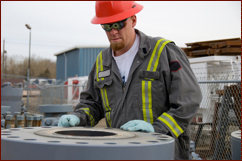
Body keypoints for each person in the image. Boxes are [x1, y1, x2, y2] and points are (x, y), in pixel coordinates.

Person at [58, 1, 202, 159]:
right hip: (120, 151)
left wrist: (156, 129)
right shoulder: (102, 61)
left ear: (133, 20)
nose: (113, 31)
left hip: (161, 152)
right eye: (106, 26)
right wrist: (78, 117)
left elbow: (188, 100)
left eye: (119, 24)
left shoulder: (163, 51)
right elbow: (92, 103)